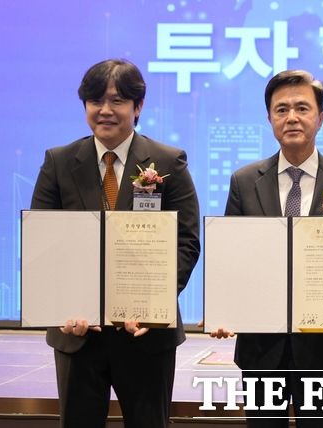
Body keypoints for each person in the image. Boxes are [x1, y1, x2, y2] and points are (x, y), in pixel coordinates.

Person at [30, 59, 200, 428]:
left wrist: (152, 303)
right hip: (77, 333)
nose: (105, 110)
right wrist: (62, 306)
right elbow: (42, 244)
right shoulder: (59, 162)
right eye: (95, 101)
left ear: (138, 107)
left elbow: (186, 242)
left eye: (118, 101)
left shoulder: (168, 162)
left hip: (145, 333)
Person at [211, 70, 323, 427]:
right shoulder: (244, 181)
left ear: (321, 117)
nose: (292, 117)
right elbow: (231, 255)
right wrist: (225, 308)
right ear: (269, 118)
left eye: (302, 108)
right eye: (281, 109)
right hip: (261, 348)